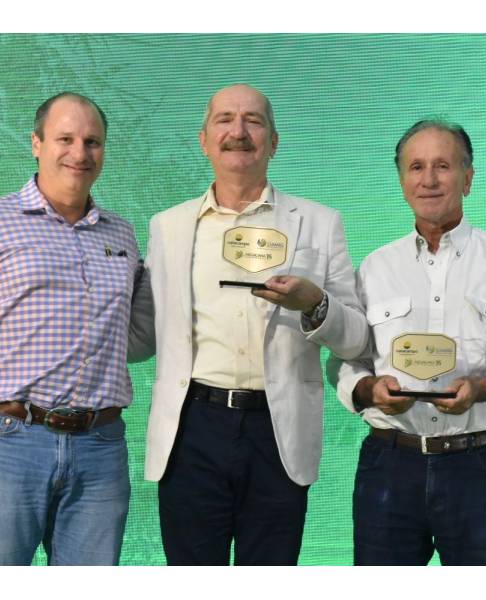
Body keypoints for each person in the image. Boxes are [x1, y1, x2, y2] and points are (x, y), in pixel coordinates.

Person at [0, 92, 153, 565]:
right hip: (7, 445)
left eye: (92, 142)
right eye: (65, 139)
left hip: (101, 448)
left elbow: (129, 338)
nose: (79, 153)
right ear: (37, 143)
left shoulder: (121, 235)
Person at [142, 84, 368, 565]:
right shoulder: (168, 226)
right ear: (204, 140)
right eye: (224, 119)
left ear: (274, 142)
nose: (238, 132)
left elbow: (355, 339)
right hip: (190, 429)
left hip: (278, 430)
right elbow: (144, 329)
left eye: (254, 121)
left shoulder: (320, 223)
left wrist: (315, 304)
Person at [331, 119, 486, 565]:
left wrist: (485, 388)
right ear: (402, 181)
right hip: (389, 467)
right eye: (416, 167)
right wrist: (368, 390)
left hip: (479, 469)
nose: (429, 179)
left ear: (468, 178)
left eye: (442, 166)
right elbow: (347, 361)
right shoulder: (375, 267)